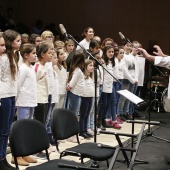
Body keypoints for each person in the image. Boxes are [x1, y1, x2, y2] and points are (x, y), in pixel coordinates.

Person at [0, 30, 21, 170]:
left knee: (6, 130)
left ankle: (3, 158)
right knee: (2, 130)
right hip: (3, 96)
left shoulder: (13, 56)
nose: (20, 43)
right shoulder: (3, 59)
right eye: (17, 41)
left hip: (11, 94)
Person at [14, 43, 37, 166]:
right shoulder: (22, 68)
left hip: (30, 101)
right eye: (33, 53)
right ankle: (16, 155)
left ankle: (25, 153)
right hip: (23, 101)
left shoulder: (31, 67)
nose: (35, 55)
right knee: (21, 129)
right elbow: (18, 85)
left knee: (27, 129)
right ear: (26, 55)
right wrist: (16, 100)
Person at [79, 59, 94, 139]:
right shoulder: (82, 76)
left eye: (93, 65)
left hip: (90, 97)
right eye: (90, 65)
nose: (92, 67)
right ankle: (81, 131)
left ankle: (85, 129)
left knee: (87, 114)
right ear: (85, 67)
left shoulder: (90, 76)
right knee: (83, 115)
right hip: (84, 97)